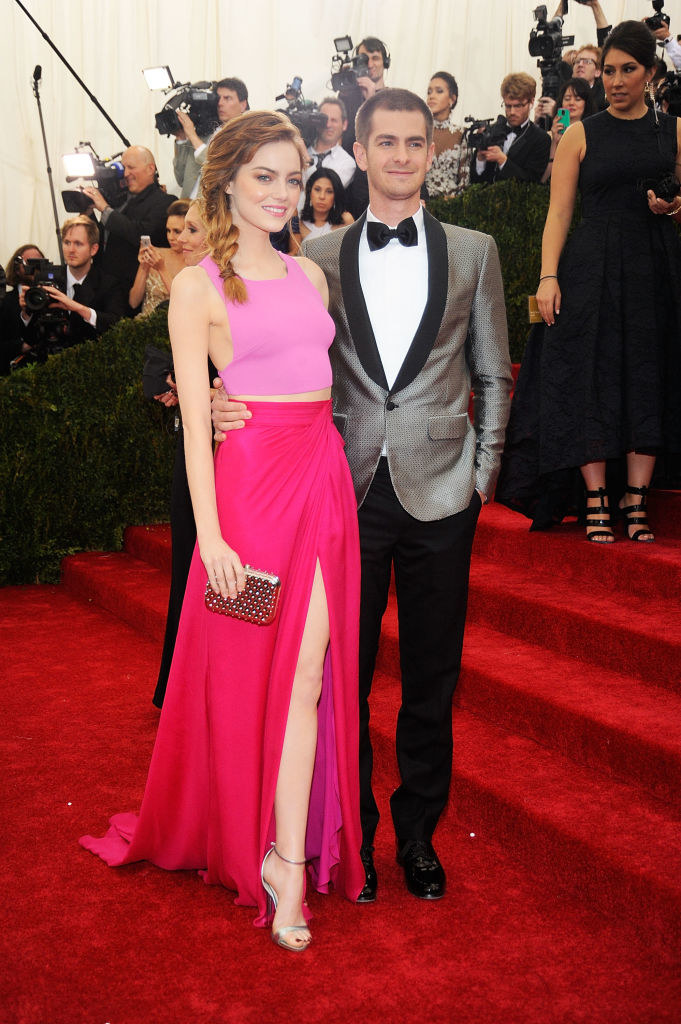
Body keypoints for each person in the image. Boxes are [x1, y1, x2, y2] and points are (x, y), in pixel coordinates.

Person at [212, 89, 512, 903]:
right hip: (336, 492)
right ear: (362, 149)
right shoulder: (318, 256)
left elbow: (492, 371)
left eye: (416, 142)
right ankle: (354, 842)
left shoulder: (477, 251)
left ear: (429, 149)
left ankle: (417, 835)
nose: (402, 156)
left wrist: (479, 481)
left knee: (430, 677)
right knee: (338, 674)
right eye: (387, 141)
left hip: (443, 495)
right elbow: (267, 349)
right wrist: (215, 396)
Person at [80, 111, 365, 952]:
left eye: (293, 176)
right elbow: (197, 422)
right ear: (228, 180)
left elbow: (316, 383)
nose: (281, 193)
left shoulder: (310, 275)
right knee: (250, 677)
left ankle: (283, 856)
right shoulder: (197, 285)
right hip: (246, 497)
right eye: (264, 177)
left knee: (310, 676)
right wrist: (210, 537)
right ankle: (253, 839)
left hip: (320, 483)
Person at [496, 21, 681, 543]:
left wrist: (674, 205)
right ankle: (596, 495)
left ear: (649, 72)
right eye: (608, 70)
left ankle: (636, 499)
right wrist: (547, 276)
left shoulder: (675, 131)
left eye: (628, 70)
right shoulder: (581, 132)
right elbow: (558, 216)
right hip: (591, 266)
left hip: (656, 267)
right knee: (590, 377)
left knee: (649, 375)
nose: (617, 80)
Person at [151, 202, 213, 710]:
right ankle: (181, 685)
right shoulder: (186, 288)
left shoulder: (230, 291)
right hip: (192, 447)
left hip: (235, 452)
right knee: (188, 567)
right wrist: (174, 382)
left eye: (193, 229)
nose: (182, 239)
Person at [84, 146, 176, 307]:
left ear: (150, 169)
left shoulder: (165, 202)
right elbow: (104, 239)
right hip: (105, 286)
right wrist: (89, 213)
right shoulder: (120, 201)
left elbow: (142, 234)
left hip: (133, 290)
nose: (126, 174)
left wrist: (106, 210)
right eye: (124, 167)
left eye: (131, 167)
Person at [38, 216, 127, 345]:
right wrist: (26, 314)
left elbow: (116, 324)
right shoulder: (46, 278)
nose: (71, 250)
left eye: (78, 244)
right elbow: (30, 335)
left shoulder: (108, 284)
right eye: (67, 242)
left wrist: (78, 308)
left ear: (94, 249)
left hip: (90, 358)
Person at [174, 77, 249, 199]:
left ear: (243, 105)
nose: (220, 103)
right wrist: (181, 138)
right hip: (186, 208)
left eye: (227, 98)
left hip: (212, 212)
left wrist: (192, 135)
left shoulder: (247, 137)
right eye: (218, 98)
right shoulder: (205, 135)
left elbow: (220, 170)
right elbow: (181, 179)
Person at [471, 73, 551, 184]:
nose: (512, 112)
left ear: (531, 102)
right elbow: (474, 181)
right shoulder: (491, 131)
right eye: (508, 106)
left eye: (518, 106)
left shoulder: (541, 139)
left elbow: (532, 183)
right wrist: (480, 160)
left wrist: (502, 160)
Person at [129, 199, 190, 315]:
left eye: (177, 231)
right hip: (144, 326)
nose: (170, 237)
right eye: (168, 230)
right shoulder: (155, 254)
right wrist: (143, 267)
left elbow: (186, 305)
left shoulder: (196, 263)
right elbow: (133, 302)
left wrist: (161, 269)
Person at [425, 71, 471, 199]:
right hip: (420, 206)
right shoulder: (420, 133)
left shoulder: (462, 134)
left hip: (452, 209)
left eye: (439, 91)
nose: (431, 96)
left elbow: (464, 182)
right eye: (429, 92)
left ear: (452, 98)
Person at [541, 77, 597, 182]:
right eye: (567, 98)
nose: (571, 103)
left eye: (577, 99)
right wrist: (555, 143)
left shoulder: (592, 134)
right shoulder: (548, 136)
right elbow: (544, 180)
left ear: (586, 103)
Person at [0, 243, 45, 372]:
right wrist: (20, 346)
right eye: (29, 262)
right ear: (17, 269)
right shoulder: (5, 301)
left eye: (39, 262)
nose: (35, 267)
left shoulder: (55, 297)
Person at [304, 97, 356, 192]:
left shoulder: (347, 163)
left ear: (344, 125)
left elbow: (321, 191)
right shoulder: (300, 152)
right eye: (324, 119)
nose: (328, 125)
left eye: (334, 120)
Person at [295, 168, 353, 243]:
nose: (322, 196)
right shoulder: (299, 224)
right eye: (317, 189)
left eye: (329, 191)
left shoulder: (345, 220)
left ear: (336, 195)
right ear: (309, 192)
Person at [573, 45, 608, 111]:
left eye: (587, 62)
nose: (580, 65)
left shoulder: (604, 102)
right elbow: (564, 121)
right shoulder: (563, 92)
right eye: (577, 61)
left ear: (597, 72)